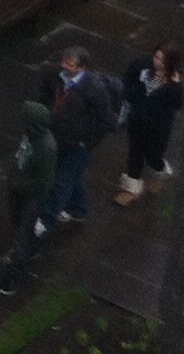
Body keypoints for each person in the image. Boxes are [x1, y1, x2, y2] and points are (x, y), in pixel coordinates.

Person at [42, 45, 121, 230]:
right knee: (73, 176)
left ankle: (45, 222)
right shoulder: (57, 76)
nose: (64, 66)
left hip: (79, 144)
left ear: (81, 67)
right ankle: (79, 210)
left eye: (69, 64)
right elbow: (45, 95)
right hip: (61, 136)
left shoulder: (94, 89)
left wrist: (86, 141)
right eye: (64, 61)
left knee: (62, 182)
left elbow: (107, 121)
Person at [0, 101, 56, 296]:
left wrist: (19, 184)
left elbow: (43, 182)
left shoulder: (46, 148)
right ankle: (34, 246)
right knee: (20, 225)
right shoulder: (31, 136)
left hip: (30, 197)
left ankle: (13, 276)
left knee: (22, 236)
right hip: (19, 191)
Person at [117, 43, 184, 202]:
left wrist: (174, 86)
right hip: (137, 119)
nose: (158, 62)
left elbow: (177, 104)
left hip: (157, 127)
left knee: (153, 157)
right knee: (135, 153)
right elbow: (127, 81)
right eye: (156, 57)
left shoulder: (174, 84)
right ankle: (132, 187)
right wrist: (131, 96)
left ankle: (162, 170)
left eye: (163, 60)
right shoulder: (141, 64)